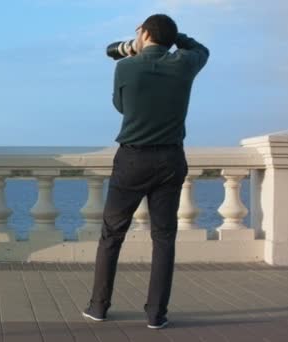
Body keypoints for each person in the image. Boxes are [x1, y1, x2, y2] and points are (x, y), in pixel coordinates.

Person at [83, 14, 209, 329]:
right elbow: (201, 50)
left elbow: (121, 106)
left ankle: (99, 307)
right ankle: (156, 314)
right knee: (164, 238)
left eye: (138, 31)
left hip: (132, 160)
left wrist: (139, 49)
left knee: (111, 235)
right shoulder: (185, 64)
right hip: (170, 160)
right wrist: (174, 38)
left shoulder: (125, 66)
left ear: (145, 32)